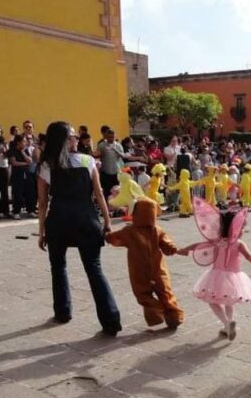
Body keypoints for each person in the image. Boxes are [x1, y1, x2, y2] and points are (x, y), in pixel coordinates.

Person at [37, 121, 122, 336]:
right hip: (86, 219)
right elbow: (99, 194)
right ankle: (111, 320)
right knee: (94, 268)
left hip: (58, 221)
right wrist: (107, 221)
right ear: (63, 140)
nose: (76, 139)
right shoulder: (87, 160)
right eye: (72, 136)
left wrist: (41, 231)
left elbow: (43, 202)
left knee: (58, 267)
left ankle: (62, 311)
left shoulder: (46, 165)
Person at [177, 199, 251, 340]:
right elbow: (249, 256)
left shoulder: (216, 241)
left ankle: (227, 324)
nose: (242, 231)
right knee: (229, 301)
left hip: (216, 276)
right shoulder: (239, 243)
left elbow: (198, 245)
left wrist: (184, 249)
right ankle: (228, 324)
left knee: (213, 302)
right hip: (234, 277)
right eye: (241, 228)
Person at [105, 197, 184, 329]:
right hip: (158, 268)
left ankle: (156, 311)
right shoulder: (157, 230)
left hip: (138, 269)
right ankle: (174, 316)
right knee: (166, 293)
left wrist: (107, 235)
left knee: (142, 295)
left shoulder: (129, 231)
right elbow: (167, 244)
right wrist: (173, 248)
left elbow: (114, 237)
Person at [94, 127, 125, 201]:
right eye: (109, 137)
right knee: (106, 191)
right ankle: (107, 205)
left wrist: (115, 150)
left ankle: (116, 206)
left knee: (117, 190)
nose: (111, 139)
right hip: (105, 172)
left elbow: (123, 156)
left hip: (116, 172)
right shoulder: (102, 145)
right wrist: (101, 153)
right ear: (106, 137)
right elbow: (97, 155)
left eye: (112, 137)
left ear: (115, 136)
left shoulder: (118, 145)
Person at [9, 134, 31, 219]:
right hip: (17, 175)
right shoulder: (12, 151)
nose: (26, 143)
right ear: (18, 142)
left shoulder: (25, 150)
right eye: (24, 141)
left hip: (26, 174)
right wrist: (25, 163)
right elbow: (14, 162)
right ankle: (16, 211)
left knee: (28, 192)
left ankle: (30, 210)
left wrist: (22, 152)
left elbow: (30, 160)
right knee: (17, 193)